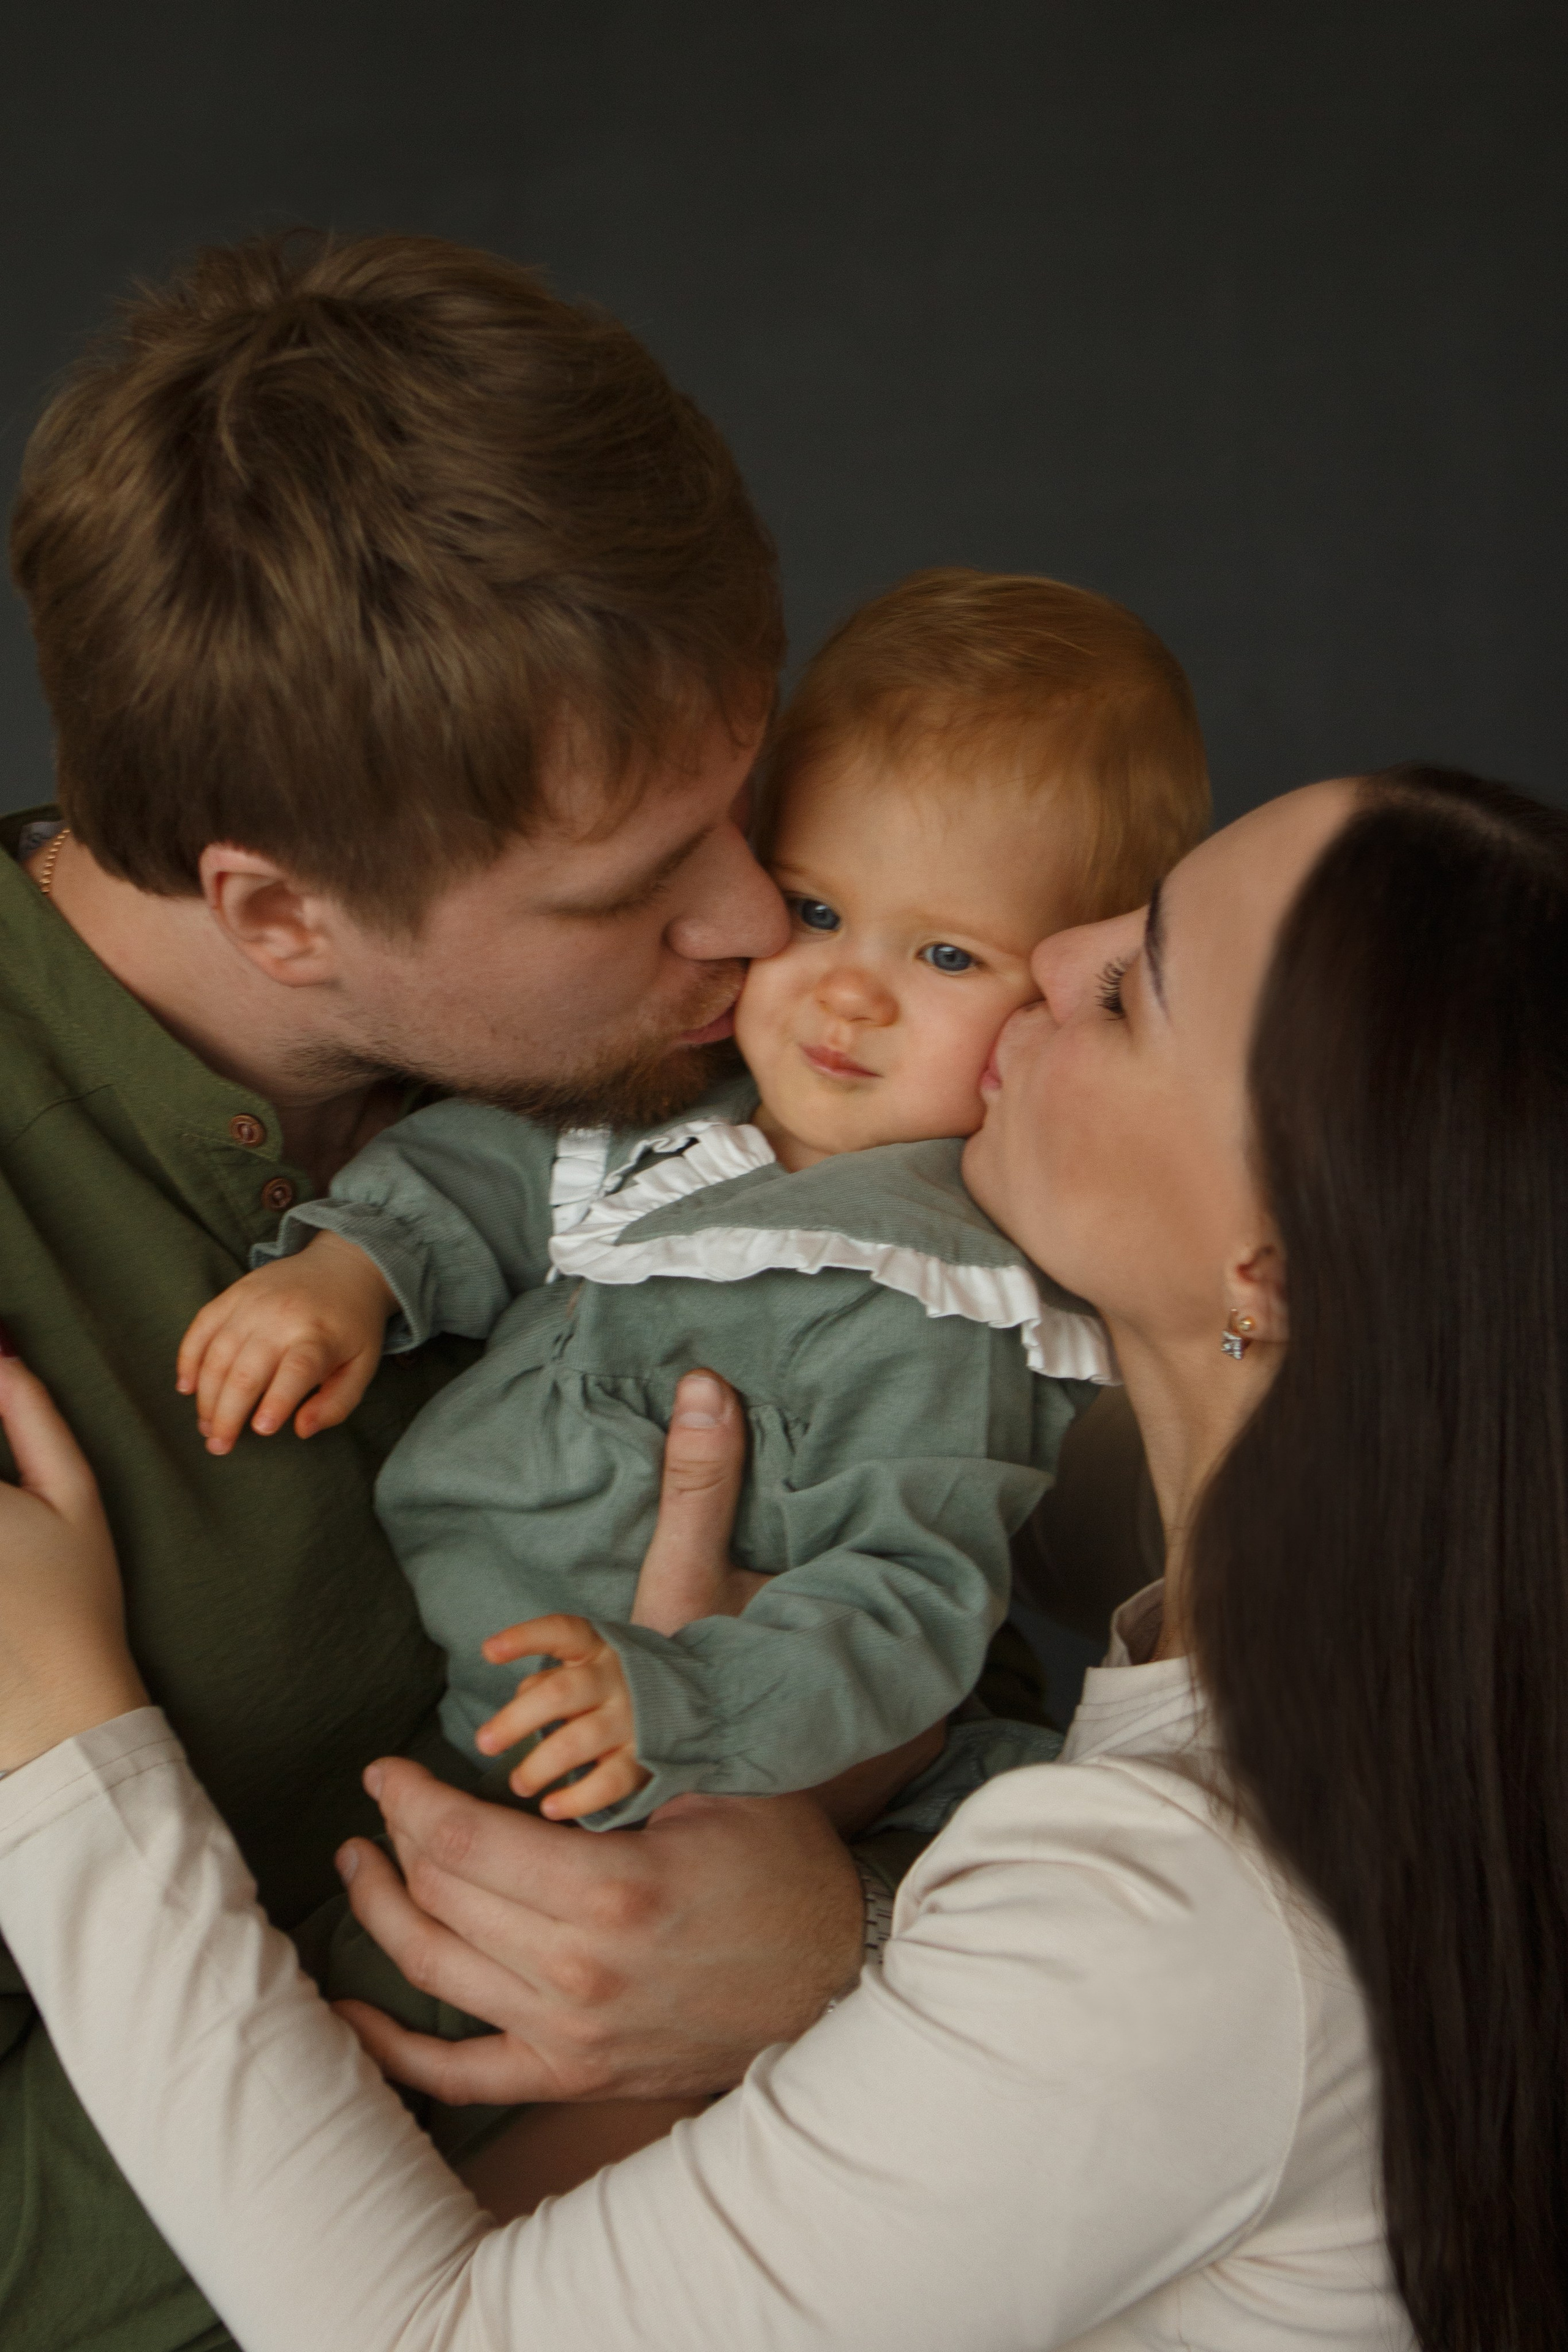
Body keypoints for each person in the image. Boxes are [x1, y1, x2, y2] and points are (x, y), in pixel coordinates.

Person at [4, 763, 1564, 2348]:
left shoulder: (1182, 1913)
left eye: (1137, 986)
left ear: (1274, 1263)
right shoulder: (1261, 1726)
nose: (1057, 951)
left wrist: (63, 1728)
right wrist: (851, 1932)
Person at [0, 227, 1155, 2340]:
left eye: (758, 818)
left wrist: (843, 1937)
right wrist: (429, 2041)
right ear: (276, 911)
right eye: (641, 886)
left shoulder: (816, 1046)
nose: (758, 934)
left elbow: (1067, 1660)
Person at [172, 571, 1205, 1863]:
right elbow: (493, 1167)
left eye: (943, 956)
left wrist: (686, 1701)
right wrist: (349, 1270)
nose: (845, 993)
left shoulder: (935, 1299)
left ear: (1059, 989)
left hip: (660, 1772)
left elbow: (904, 1603)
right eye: (818, 909)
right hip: (465, 1694)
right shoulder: (688, 1099)